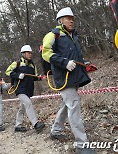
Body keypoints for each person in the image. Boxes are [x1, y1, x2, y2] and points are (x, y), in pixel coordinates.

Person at [42, 7, 95, 154]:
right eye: (67, 18)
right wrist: (64, 63)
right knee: (74, 106)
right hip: (63, 79)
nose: (71, 20)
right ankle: (81, 145)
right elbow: (46, 54)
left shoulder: (73, 37)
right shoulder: (53, 35)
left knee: (67, 105)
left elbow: (75, 58)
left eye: (72, 18)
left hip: (74, 77)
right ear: (60, 20)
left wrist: (85, 64)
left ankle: (55, 131)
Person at [6, 45, 45, 133]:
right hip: (20, 88)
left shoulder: (32, 65)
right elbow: (8, 71)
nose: (30, 54)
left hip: (29, 89)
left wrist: (39, 77)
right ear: (23, 53)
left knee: (23, 107)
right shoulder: (17, 63)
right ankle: (36, 124)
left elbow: (34, 77)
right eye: (28, 53)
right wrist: (17, 75)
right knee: (28, 103)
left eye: (31, 53)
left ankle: (18, 125)